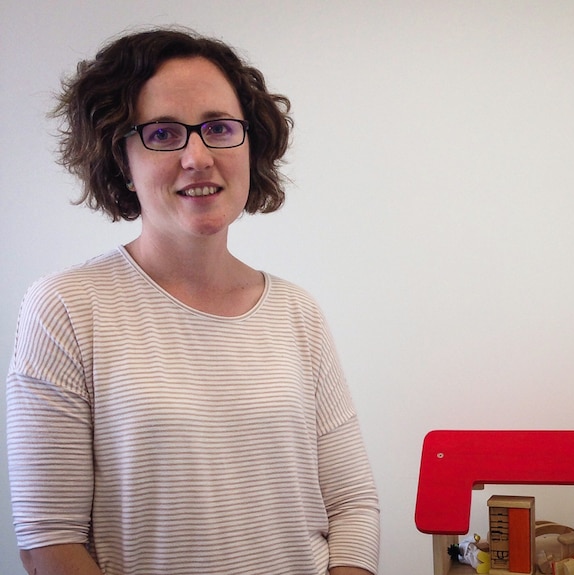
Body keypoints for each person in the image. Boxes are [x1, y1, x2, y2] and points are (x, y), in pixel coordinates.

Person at [6, 28, 379, 575]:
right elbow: (49, 541)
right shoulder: (66, 307)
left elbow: (353, 507)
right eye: (162, 133)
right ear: (121, 159)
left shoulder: (298, 313)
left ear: (250, 143)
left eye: (219, 128)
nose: (198, 157)